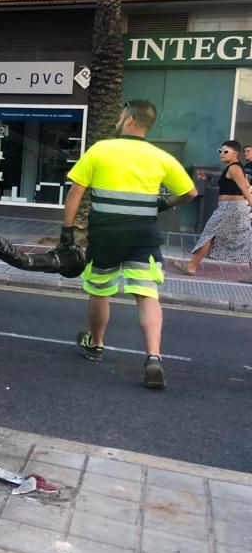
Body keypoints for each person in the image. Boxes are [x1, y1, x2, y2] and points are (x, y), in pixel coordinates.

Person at [62, 99, 196, 390]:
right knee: (147, 293)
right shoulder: (160, 157)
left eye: (121, 115)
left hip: (106, 234)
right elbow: (190, 192)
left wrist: (67, 231)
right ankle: (154, 357)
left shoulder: (101, 149)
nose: (118, 119)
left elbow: (75, 191)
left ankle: (96, 344)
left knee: (100, 289)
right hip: (142, 235)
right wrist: (161, 204)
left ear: (130, 119)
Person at [174, 140, 252, 274]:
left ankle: (191, 267)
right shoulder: (235, 167)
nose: (221, 154)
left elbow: (245, 188)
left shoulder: (234, 168)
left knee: (208, 234)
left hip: (230, 208)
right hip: (234, 208)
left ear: (235, 154)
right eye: (220, 151)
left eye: (225, 151)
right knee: (246, 239)